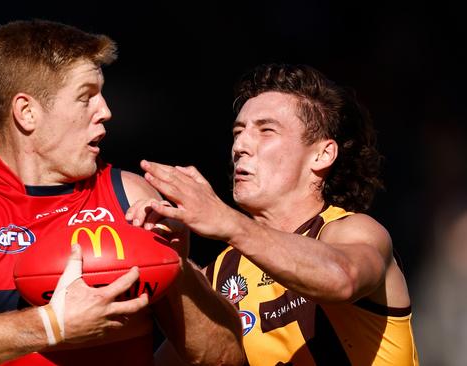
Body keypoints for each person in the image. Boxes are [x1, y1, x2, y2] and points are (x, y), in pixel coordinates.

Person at [0, 19, 244, 366]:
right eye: (86, 97)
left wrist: (176, 266)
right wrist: (52, 325)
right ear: (27, 112)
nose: (106, 111)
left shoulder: (130, 197)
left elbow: (224, 355)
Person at [127, 63, 419, 365]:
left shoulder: (353, 230)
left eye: (266, 130)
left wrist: (226, 221)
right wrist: (171, 259)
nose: (240, 145)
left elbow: (341, 278)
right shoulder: (219, 275)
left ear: (322, 154)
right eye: (238, 132)